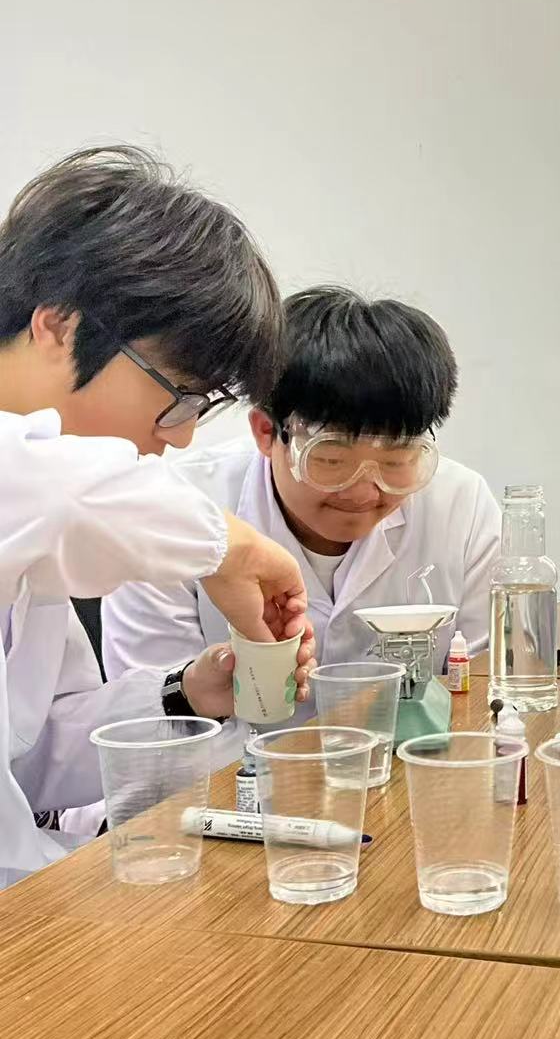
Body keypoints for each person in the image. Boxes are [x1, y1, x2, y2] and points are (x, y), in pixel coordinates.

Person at [0, 145, 314, 880]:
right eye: (177, 396)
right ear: (59, 328)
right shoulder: (42, 488)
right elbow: (63, 496)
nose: (179, 435)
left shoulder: (39, 524)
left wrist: (188, 693)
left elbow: (36, 755)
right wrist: (233, 550)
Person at [103, 284, 500, 760]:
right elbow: (154, 725)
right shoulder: (172, 511)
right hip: (231, 787)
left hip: (407, 775)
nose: (363, 491)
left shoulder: (460, 504)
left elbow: (480, 686)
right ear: (266, 431)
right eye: (330, 459)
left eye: (396, 461)